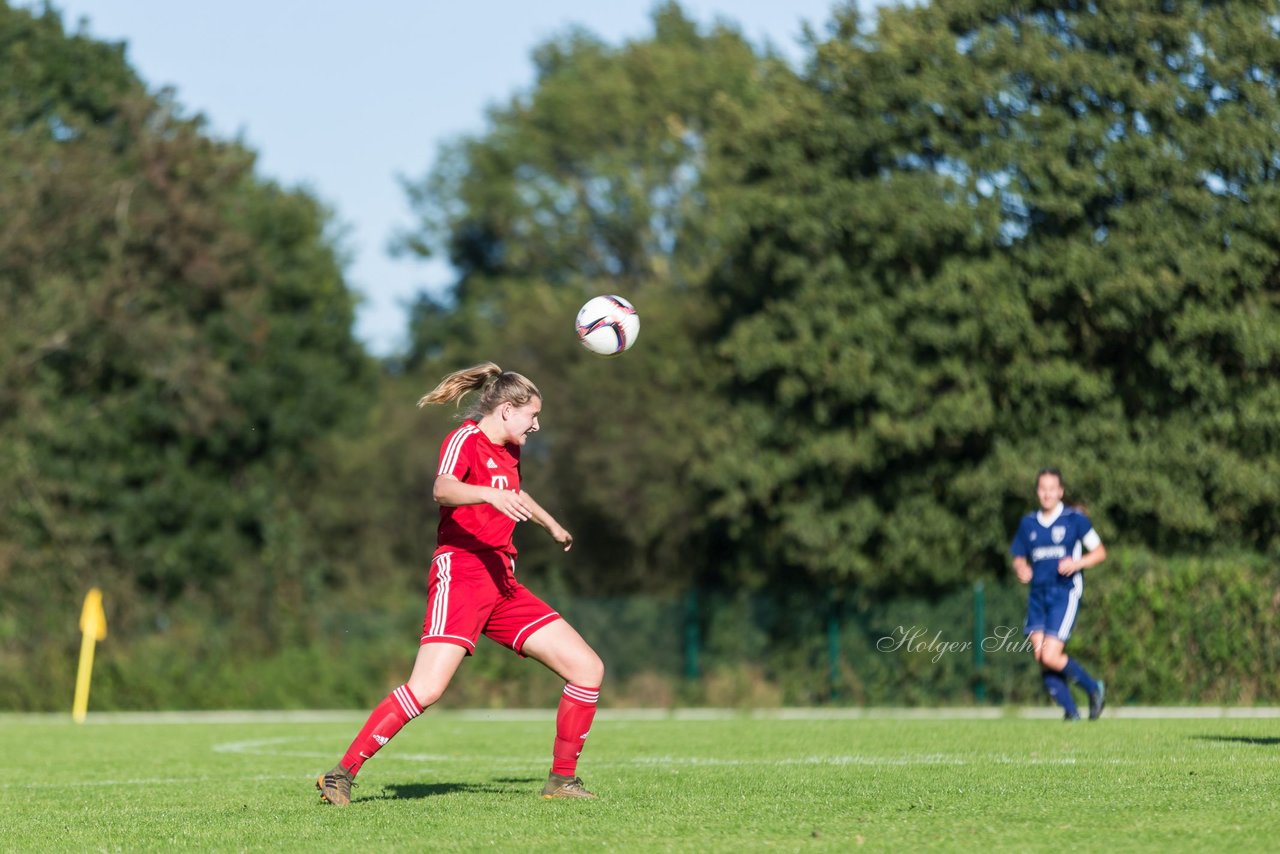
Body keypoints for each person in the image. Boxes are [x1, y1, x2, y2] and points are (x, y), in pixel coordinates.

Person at [317, 363, 604, 805]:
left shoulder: (510, 450)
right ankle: (341, 774)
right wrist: (489, 494)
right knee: (427, 688)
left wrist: (553, 525)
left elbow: (515, 495)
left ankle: (561, 781)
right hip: (462, 573)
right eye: (532, 415)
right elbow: (443, 489)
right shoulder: (464, 439)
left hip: (502, 580)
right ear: (507, 410)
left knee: (587, 669)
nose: (537, 425)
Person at [1010, 467, 1107, 721]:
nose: (1047, 493)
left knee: (1050, 655)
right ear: (1037, 492)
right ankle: (1071, 711)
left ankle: (1093, 687)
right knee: (1040, 656)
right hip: (1037, 595)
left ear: (1060, 491)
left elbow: (1099, 552)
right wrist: (1021, 568)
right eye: (1043, 489)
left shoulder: (1075, 520)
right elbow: (1018, 557)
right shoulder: (1028, 523)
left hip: (1064, 593)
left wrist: (1076, 564)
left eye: (1052, 489)